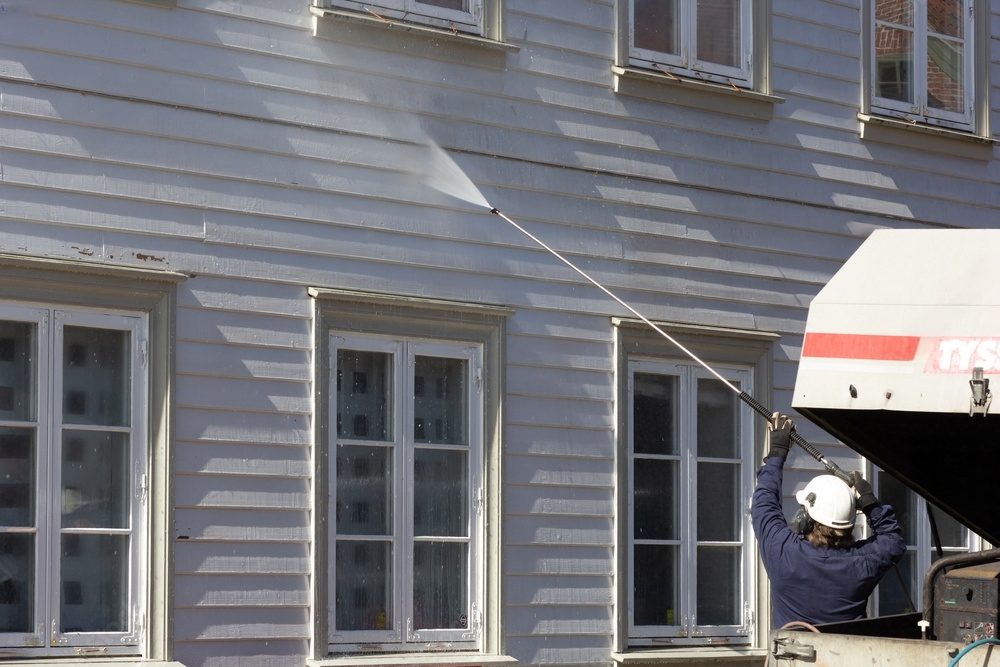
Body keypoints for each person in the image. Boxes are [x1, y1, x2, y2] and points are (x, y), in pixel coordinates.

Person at [751, 413, 906, 629]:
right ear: (850, 523)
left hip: (791, 659)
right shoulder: (863, 562)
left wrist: (777, 451)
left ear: (806, 519)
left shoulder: (784, 551)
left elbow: (764, 503)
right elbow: (893, 541)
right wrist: (870, 503)